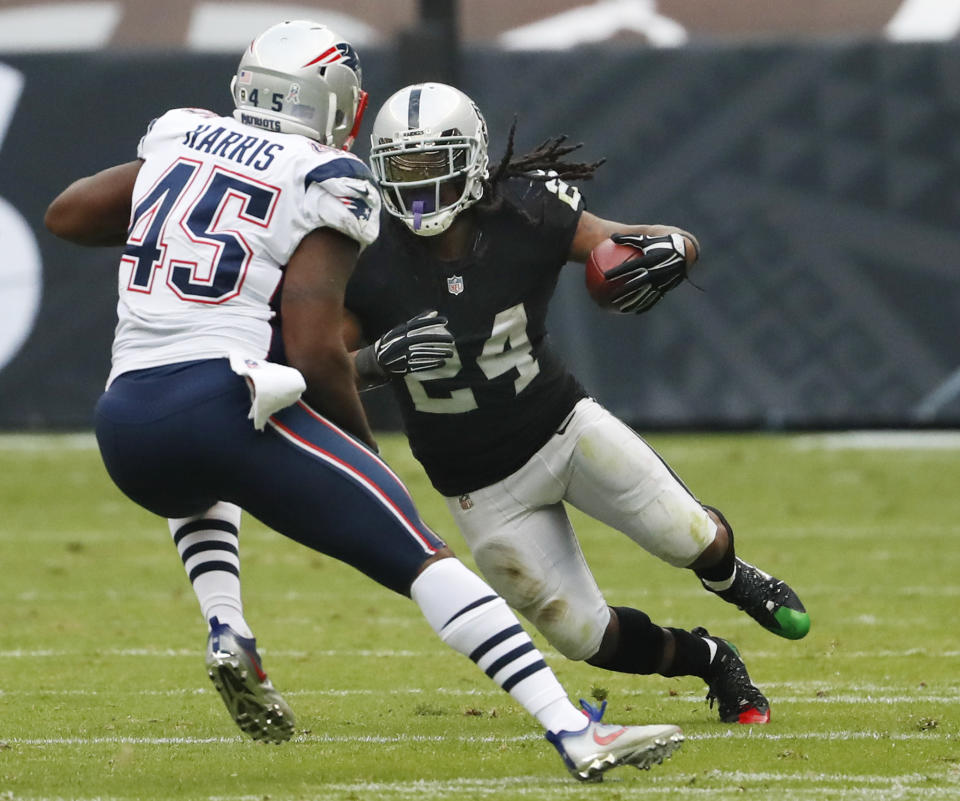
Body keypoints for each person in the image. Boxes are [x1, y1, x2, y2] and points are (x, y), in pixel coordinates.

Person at [44, 21, 684, 781]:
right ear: (329, 103)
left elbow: (69, 213)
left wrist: (172, 197)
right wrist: (363, 457)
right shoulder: (328, 175)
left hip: (125, 422)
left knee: (197, 478)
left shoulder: (184, 135)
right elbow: (314, 350)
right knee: (419, 553)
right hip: (217, 396)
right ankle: (574, 730)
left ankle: (226, 622)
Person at [342, 82, 813, 723]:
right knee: (581, 635)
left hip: (561, 427)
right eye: (406, 173)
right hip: (478, 485)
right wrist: (373, 360)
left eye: (437, 170)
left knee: (688, 535)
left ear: (474, 165)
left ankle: (731, 576)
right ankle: (711, 659)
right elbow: (320, 367)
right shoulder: (365, 255)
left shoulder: (527, 211)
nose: (422, 192)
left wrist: (677, 249)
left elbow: (634, 240)